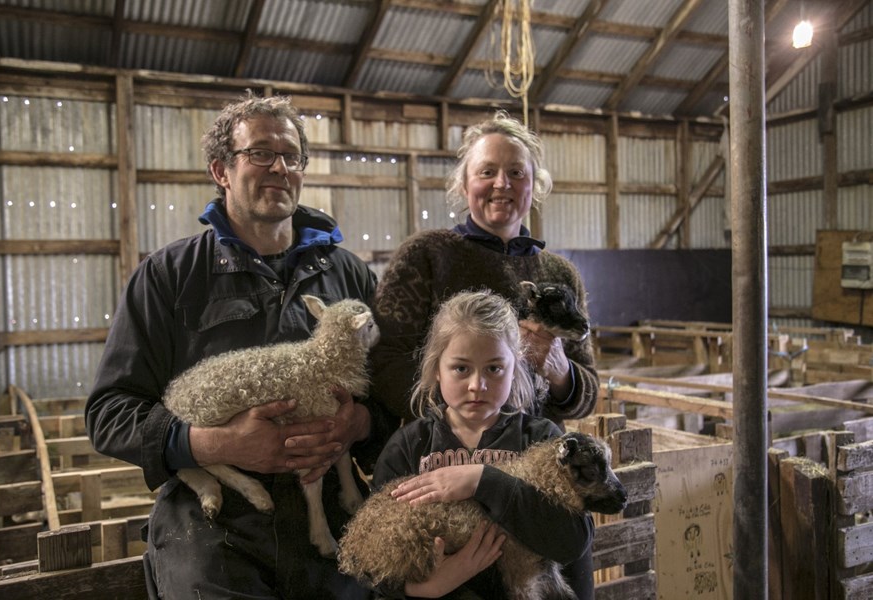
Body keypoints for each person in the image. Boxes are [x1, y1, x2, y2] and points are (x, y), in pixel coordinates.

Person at [85, 93, 385, 599]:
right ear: (220, 170)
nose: (280, 168)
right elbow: (109, 413)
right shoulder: (169, 276)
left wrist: (359, 423)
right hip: (216, 522)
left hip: (331, 510)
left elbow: (395, 393)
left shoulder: (348, 275)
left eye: (292, 157)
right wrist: (214, 444)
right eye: (261, 153)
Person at [369, 110, 598, 429]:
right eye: (487, 172)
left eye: (516, 172)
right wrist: (464, 416)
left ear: (534, 185)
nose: (502, 183)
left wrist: (561, 371)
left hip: (541, 451)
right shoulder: (426, 255)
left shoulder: (561, 274)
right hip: (447, 450)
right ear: (464, 184)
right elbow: (385, 363)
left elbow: (588, 393)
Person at [371, 290, 595, 599]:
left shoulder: (542, 440)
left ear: (514, 368)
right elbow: (371, 556)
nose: (477, 385)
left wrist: (484, 481)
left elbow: (574, 540)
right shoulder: (408, 448)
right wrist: (424, 587)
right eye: (461, 368)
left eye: (494, 368)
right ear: (437, 369)